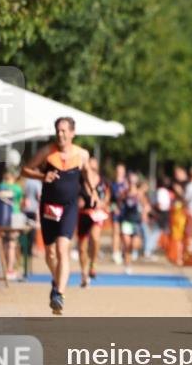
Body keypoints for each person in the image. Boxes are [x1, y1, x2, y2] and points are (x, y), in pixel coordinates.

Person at [22, 117, 91, 314]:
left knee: (62, 249)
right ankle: (56, 279)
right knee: (50, 253)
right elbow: (25, 170)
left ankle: (59, 295)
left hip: (69, 207)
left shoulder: (82, 154)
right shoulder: (47, 152)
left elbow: (87, 173)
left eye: (64, 131)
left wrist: (93, 190)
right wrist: (42, 176)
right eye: (58, 130)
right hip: (49, 207)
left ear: (72, 133)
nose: (60, 134)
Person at [78, 157, 109, 286]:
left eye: (95, 168)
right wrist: (78, 202)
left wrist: (103, 203)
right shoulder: (80, 181)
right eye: (90, 168)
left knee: (95, 237)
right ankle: (84, 275)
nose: (93, 170)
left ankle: (93, 264)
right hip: (83, 214)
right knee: (82, 248)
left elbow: (107, 196)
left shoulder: (102, 182)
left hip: (97, 215)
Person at [0, 169, 24, 280]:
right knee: (12, 244)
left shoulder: (0, 187)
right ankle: (10, 269)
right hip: (14, 217)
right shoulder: (17, 189)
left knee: (4, 243)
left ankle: (4, 268)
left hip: (2, 217)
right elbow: (20, 202)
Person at [109, 163, 128, 265]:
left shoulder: (127, 184)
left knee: (124, 233)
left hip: (126, 212)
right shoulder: (112, 185)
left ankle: (123, 252)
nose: (119, 173)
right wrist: (113, 208)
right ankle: (115, 253)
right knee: (116, 232)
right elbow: (109, 200)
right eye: (118, 171)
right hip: (116, 212)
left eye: (121, 171)